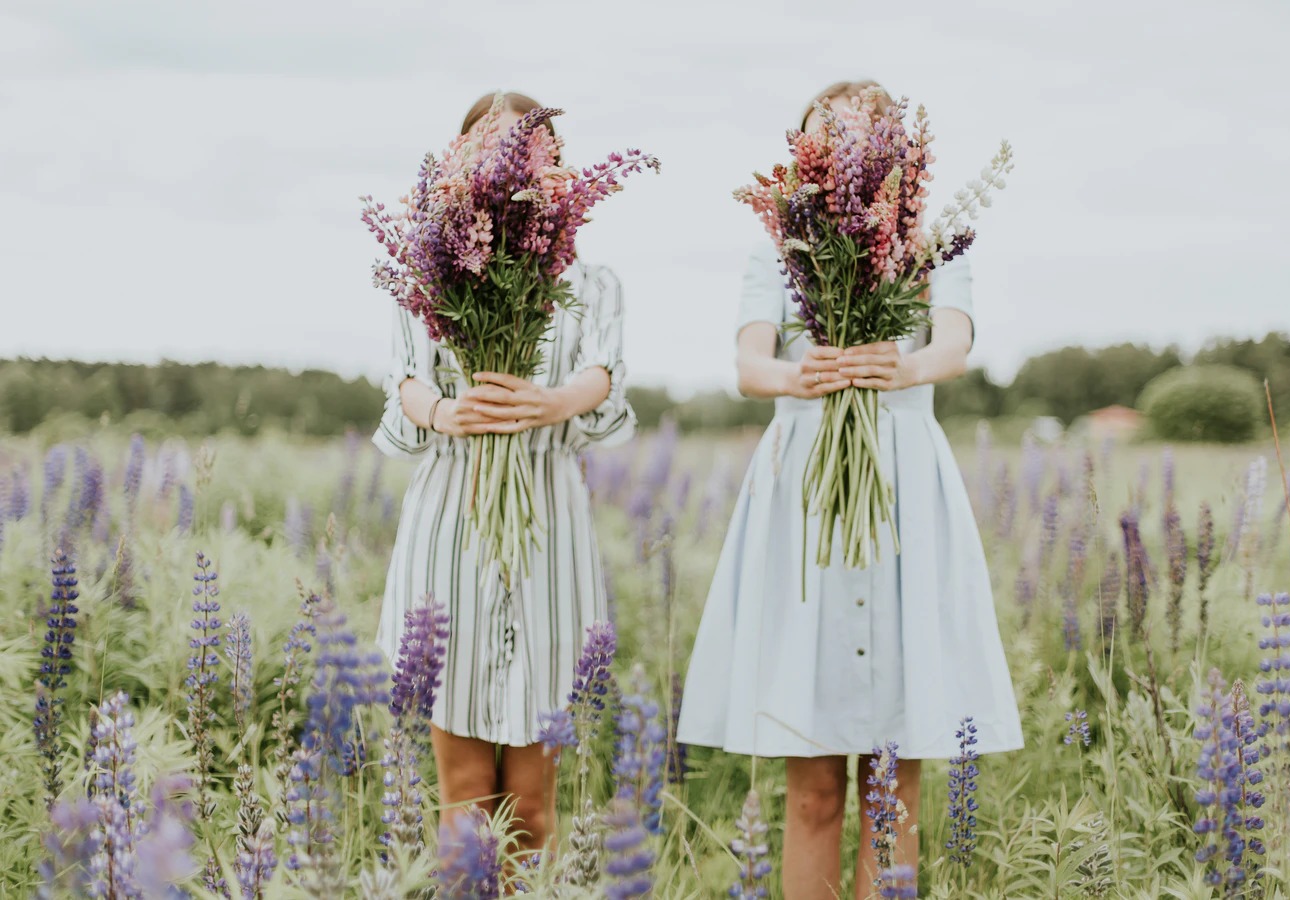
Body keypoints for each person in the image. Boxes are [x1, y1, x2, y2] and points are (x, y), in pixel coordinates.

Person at [678, 80, 1024, 899]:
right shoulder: (777, 246)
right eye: (830, 132)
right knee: (815, 786)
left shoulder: (934, 239)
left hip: (905, 478)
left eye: (866, 131)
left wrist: (897, 366)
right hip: (806, 484)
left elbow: (955, 343)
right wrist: (803, 377)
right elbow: (749, 366)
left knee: (895, 782)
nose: (849, 145)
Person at [372, 91, 635, 854]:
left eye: (532, 150)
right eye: (490, 149)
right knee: (463, 798)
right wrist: (444, 414)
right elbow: (405, 380)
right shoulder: (427, 278)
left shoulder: (592, 283)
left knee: (532, 803)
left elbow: (605, 376)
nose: (513, 163)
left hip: (547, 521)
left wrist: (550, 402)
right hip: (451, 518)